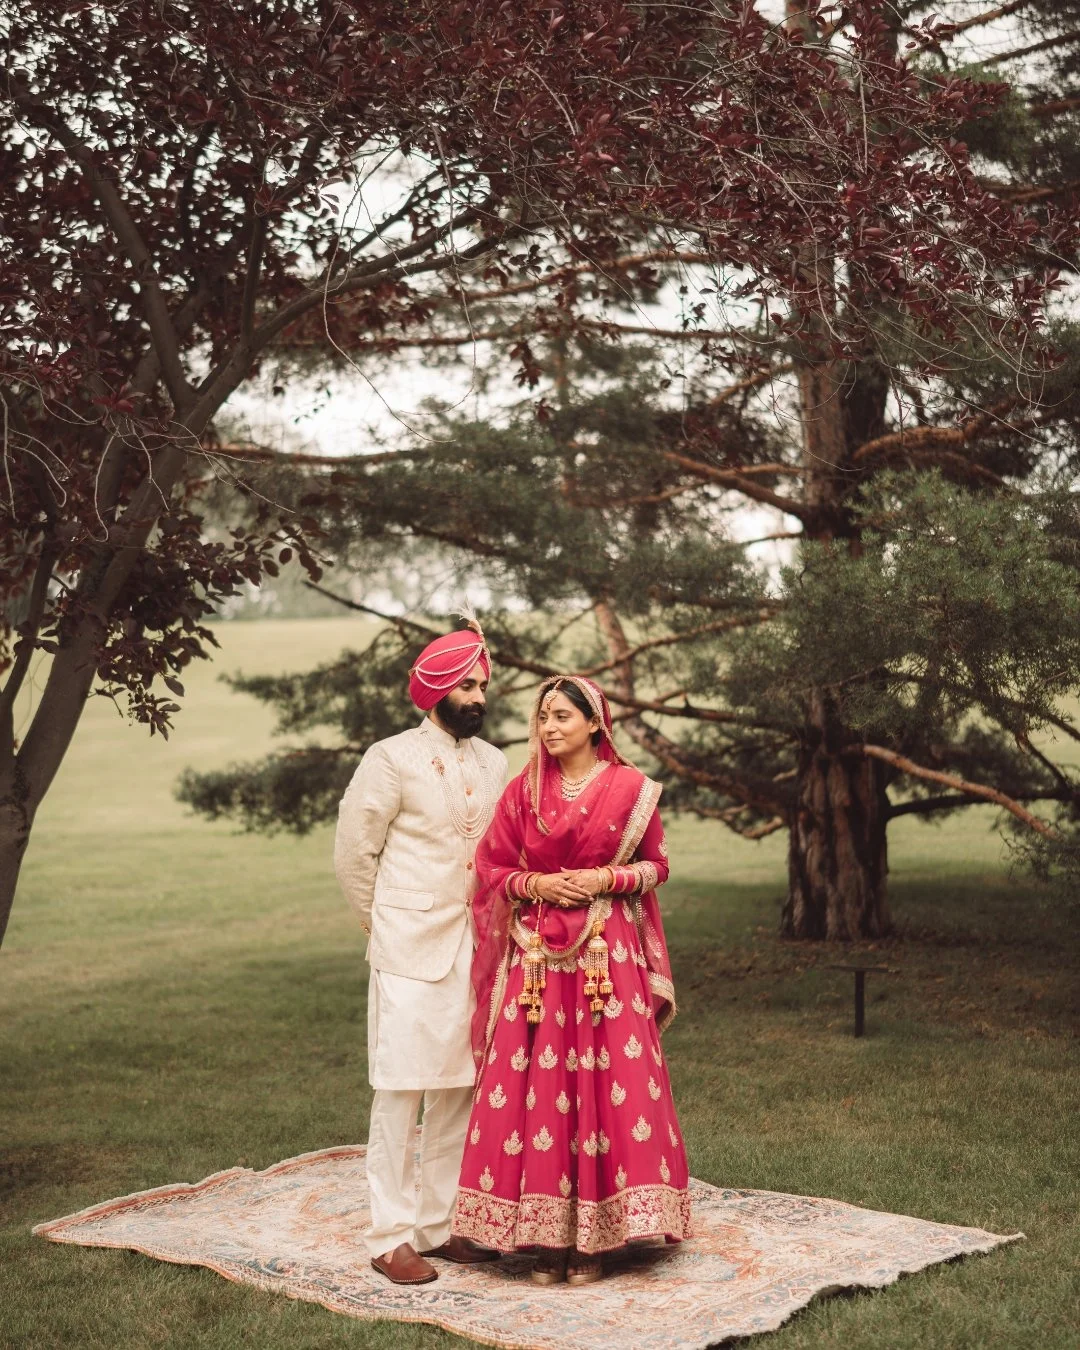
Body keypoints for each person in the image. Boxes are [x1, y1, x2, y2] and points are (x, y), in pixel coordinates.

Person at [451, 675, 691, 1285]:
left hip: (604, 958)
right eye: (543, 717)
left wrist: (604, 882)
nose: (549, 728)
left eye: (562, 716)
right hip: (534, 956)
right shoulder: (522, 793)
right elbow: (491, 866)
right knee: (538, 1084)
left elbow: (657, 866)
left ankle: (597, 1242)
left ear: (594, 722)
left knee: (606, 1081)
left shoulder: (631, 790)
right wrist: (536, 885)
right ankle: (543, 1238)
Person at [334, 619, 508, 1286]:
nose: (477, 697)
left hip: (478, 947)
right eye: (466, 685)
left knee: (459, 1087)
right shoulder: (390, 757)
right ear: (434, 688)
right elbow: (354, 854)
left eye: (482, 685)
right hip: (407, 945)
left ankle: (438, 1226)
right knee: (401, 1091)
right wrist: (378, 927)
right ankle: (389, 1236)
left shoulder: (494, 761)